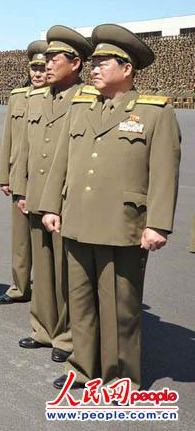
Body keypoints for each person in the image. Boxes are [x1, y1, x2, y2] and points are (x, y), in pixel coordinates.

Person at [40, 24, 181, 391]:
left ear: (127, 68)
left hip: (123, 226)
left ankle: (122, 379)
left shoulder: (155, 113)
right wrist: (51, 206)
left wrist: (158, 224)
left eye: (104, 62)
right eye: (95, 61)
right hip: (77, 221)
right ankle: (84, 369)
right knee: (81, 304)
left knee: (120, 308)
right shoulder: (81, 107)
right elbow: (61, 162)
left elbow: (165, 173)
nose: (95, 68)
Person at [11, 26, 92, 364]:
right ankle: (42, 328)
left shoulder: (87, 99)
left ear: (74, 64)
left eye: (53, 59)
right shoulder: (35, 98)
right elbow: (26, 147)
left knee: (66, 269)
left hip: (66, 198)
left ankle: (68, 334)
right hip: (35, 193)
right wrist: (19, 188)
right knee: (43, 268)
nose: (45, 65)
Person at [0, 40, 48, 304]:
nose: (37, 73)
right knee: (20, 240)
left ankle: (46, 290)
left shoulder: (61, 99)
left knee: (45, 242)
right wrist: (4, 176)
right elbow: (9, 139)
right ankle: (19, 286)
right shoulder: (17, 96)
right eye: (34, 68)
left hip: (47, 181)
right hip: (19, 178)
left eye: (43, 68)